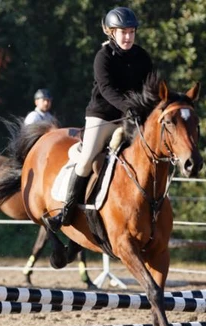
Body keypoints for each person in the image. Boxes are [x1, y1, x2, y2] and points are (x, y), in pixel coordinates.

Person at [44, 6, 153, 232]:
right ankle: (66, 210)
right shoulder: (103, 57)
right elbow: (106, 89)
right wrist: (129, 107)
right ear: (111, 33)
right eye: (123, 32)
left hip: (129, 118)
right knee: (85, 161)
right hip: (102, 116)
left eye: (131, 32)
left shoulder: (142, 56)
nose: (128, 37)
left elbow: (149, 88)